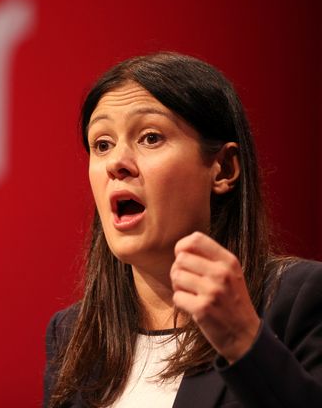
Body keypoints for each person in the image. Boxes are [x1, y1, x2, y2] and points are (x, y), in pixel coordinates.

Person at [43, 52, 322, 408]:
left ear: (222, 169)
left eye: (150, 137)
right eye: (102, 145)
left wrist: (242, 340)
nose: (116, 164)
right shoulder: (73, 335)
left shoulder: (296, 302)